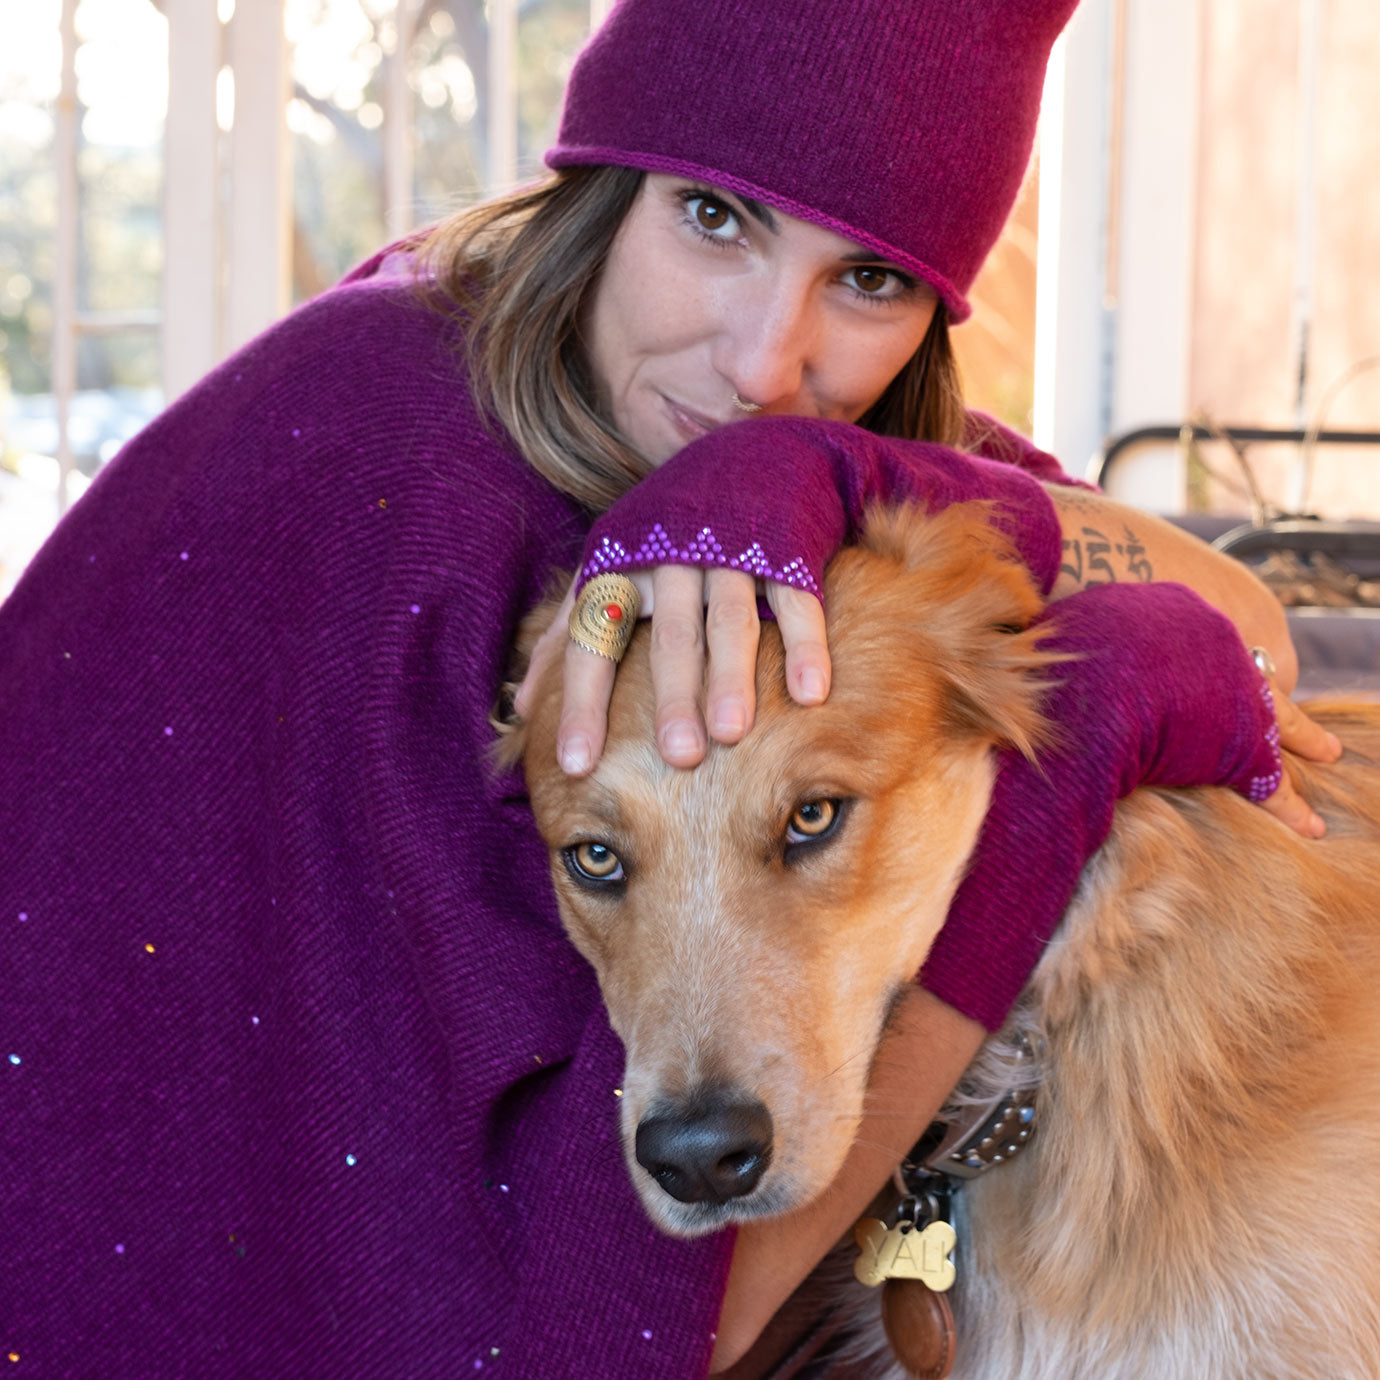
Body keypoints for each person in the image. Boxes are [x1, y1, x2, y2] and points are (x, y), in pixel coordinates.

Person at [0, 0, 1337, 1375]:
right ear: (603, 193)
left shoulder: (800, 440)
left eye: (871, 280)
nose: (764, 360)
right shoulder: (383, 463)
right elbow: (595, 1329)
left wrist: (827, 472)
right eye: (715, 216)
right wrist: (1068, 764)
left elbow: (1248, 624)